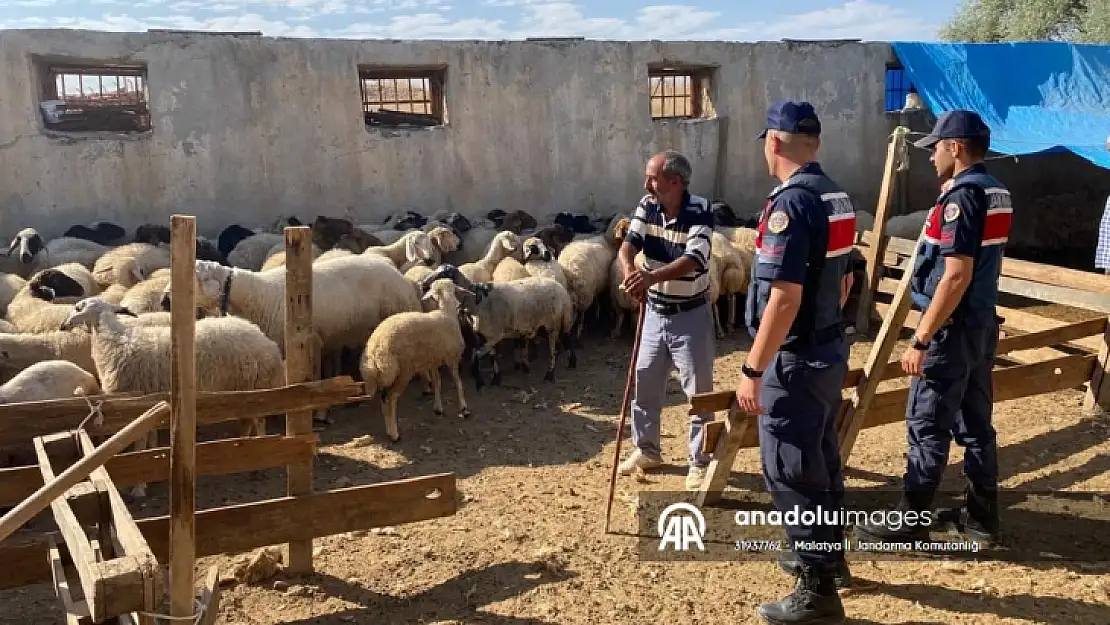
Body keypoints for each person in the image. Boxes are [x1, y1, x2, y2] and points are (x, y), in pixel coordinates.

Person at [855, 110, 1010, 546]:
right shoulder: (997, 190)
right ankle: (982, 515)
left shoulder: (962, 198)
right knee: (977, 422)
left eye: (937, 148)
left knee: (927, 422)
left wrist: (922, 336)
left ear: (955, 149)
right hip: (980, 322)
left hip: (951, 328)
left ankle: (911, 518)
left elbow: (955, 274)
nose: (931, 157)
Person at [740, 100, 854, 625]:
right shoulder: (836, 196)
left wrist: (754, 369)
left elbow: (783, 296)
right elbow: (848, 277)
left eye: (766, 139)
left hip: (797, 357)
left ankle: (817, 592)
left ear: (775, 142)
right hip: (828, 348)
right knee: (822, 458)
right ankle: (829, 557)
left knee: (791, 467)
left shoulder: (790, 204)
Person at [616, 149, 717, 491]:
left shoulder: (701, 210)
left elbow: (695, 258)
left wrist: (651, 278)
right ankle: (647, 450)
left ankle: (700, 461)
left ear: (674, 182)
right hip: (655, 312)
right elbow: (628, 245)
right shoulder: (647, 206)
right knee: (644, 379)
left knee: (698, 392)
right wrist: (631, 272)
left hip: (690, 313)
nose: (647, 183)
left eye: (653, 178)